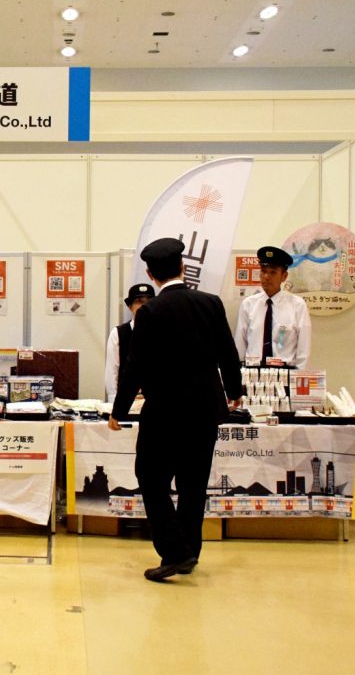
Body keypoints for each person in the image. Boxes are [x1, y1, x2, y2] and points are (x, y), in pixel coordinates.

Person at [108, 238, 242, 582]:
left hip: (165, 412)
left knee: (151, 478)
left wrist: (119, 410)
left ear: (150, 275)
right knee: (193, 483)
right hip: (205, 410)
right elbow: (228, 352)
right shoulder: (210, 303)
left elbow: (135, 367)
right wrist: (235, 391)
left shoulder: (150, 313)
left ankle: (174, 551)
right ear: (183, 267)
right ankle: (189, 551)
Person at [234, 246, 311, 368]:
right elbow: (240, 343)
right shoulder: (248, 304)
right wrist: (239, 372)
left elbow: (303, 349)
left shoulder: (297, 305)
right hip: (252, 371)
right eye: (263, 271)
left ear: (284, 276)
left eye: (273, 272)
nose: (266, 276)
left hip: (285, 372)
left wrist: (298, 375)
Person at [104, 283, 155, 402]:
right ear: (130, 306)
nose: (144, 305)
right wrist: (114, 401)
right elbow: (112, 371)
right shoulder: (118, 333)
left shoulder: (162, 332)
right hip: (126, 400)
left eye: (148, 301)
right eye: (139, 301)